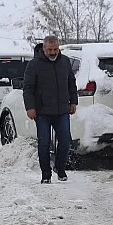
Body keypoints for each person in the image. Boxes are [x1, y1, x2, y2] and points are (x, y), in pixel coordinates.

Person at [22, 35, 78, 183]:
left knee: (65, 141)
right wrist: (30, 107)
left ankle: (60, 169)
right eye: (49, 50)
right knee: (44, 143)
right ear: (44, 49)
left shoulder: (65, 61)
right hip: (42, 112)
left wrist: (73, 101)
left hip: (62, 110)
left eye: (55, 49)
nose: (53, 53)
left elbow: (71, 83)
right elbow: (28, 88)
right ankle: (46, 175)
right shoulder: (34, 65)